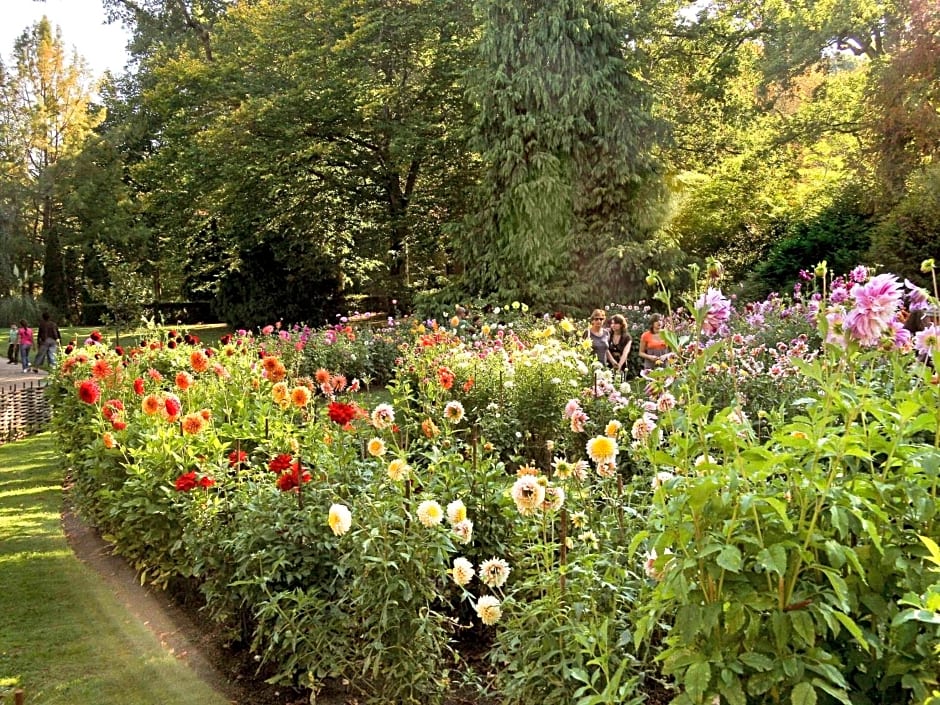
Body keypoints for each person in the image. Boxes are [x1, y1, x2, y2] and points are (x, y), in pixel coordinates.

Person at [606, 314, 633, 380]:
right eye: (612, 323)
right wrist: (612, 361)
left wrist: (619, 367)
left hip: (621, 362)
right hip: (608, 361)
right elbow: (605, 348)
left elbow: (625, 353)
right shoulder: (608, 334)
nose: (613, 325)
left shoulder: (627, 337)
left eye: (616, 323)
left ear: (621, 324)